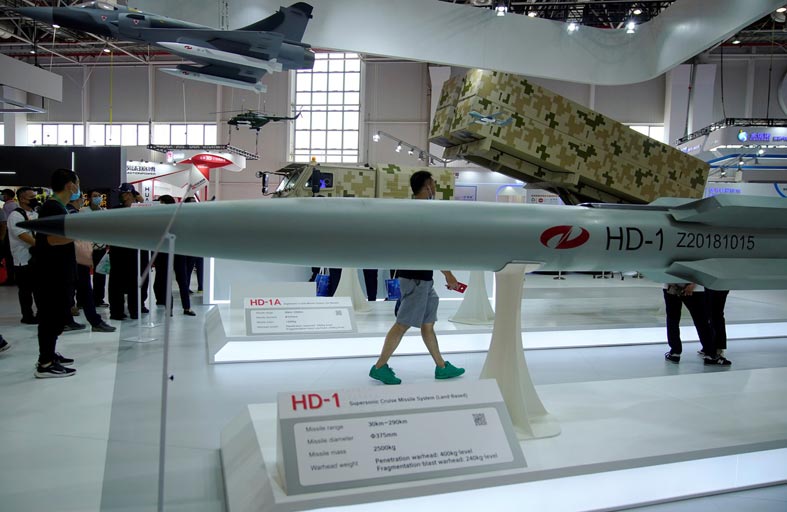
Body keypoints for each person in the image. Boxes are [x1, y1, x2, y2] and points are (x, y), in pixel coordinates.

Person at [369, 171, 465, 385]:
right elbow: (431, 249)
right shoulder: (424, 212)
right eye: (434, 183)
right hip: (416, 279)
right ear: (428, 185)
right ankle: (379, 367)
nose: (435, 187)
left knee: (427, 324)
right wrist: (448, 274)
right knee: (402, 324)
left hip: (422, 279)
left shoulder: (412, 210)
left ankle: (441, 366)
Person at [31, 168, 81, 378]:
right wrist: (80, 231)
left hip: (58, 271)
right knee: (51, 316)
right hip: (51, 274)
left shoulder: (58, 206)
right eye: (77, 183)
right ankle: (45, 363)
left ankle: (50, 353)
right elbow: (51, 239)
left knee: (57, 315)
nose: (78, 187)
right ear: (70, 185)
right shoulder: (52, 207)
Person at [66, 196, 116, 333]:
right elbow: (78, 237)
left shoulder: (72, 212)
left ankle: (70, 320)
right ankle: (94, 321)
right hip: (77, 258)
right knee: (83, 288)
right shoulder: (72, 213)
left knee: (79, 289)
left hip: (77, 257)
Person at [108, 183, 149, 320]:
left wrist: (142, 202)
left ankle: (136, 308)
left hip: (137, 250)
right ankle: (116, 311)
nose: (120, 196)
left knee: (137, 281)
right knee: (116, 282)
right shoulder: (115, 210)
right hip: (119, 251)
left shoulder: (142, 210)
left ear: (130, 194)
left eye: (123, 193)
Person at [662, 282, 729, 365]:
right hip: (693, 288)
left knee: (673, 319)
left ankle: (675, 352)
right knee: (701, 320)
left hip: (671, 286)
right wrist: (693, 284)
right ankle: (710, 353)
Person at [153, 195, 196, 316]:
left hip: (176, 250)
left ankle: (186, 307)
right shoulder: (162, 217)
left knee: (182, 279)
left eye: (161, 203)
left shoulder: (177, 216)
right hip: (166, 251)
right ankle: (170, 308)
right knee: (168, 280)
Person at [7, 187, 40, 324]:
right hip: (23, 259)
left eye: (34, 197)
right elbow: (23, 235)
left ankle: (41, 314)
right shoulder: (15, 215)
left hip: (37, 259)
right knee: (26, 290)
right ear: (22, 198)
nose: (34, 200)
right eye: (31, 197)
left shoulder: (35, 213)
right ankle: (27, 316)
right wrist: (42, 245)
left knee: (39, 289)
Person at [87, 189, 109, 307]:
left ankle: (98, 299)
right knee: (84, 275)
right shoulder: (84, 211)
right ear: (89, 198)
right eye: (95, 196)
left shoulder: (105, 211)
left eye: (99, 196)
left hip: (101, 248)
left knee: (100, 274)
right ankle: (83, 300)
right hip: (87, 248)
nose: (97, 198)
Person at [703, 288, 733, 366]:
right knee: (716, 316)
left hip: (716, 288)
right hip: (717, 287)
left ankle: (713, 351)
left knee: (715, 316)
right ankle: (714, 351)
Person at [183, 197, 204, 294]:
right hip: (189, 247)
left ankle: (201, 287)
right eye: (192, 202)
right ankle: (186, 287)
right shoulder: (184, 216)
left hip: (199, 245)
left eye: (195, 202)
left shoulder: (198, 215)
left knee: (201, 268)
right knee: (188, 268)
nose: (194, 203)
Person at [0, 188, 17, 286]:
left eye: (3, 194)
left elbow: (4, 222)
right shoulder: (14, 204)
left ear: (9, 196)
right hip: (12, 234)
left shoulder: (8, 206)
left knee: (8, 257)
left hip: (8, 233)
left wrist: (2, 237)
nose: (2, 196)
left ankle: (10, 278)